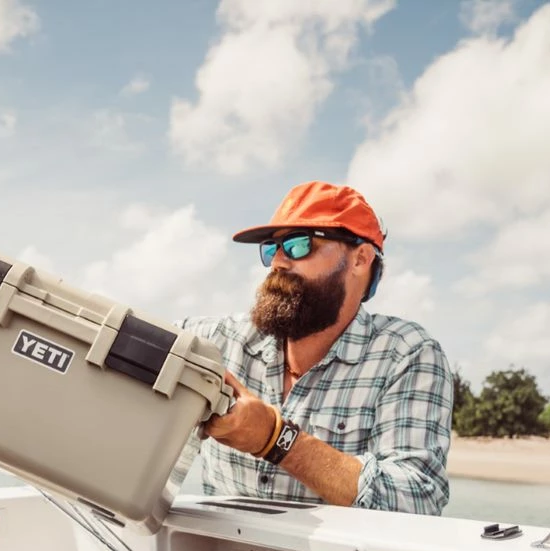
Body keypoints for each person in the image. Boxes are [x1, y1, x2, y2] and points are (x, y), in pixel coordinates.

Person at [176, 181, 453, 515]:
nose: (278, 262)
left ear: (360, 258)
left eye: (298, 245)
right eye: (271, 248)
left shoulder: (407, 355)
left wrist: (275, 439)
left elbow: (417, 500)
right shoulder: (215, 340)